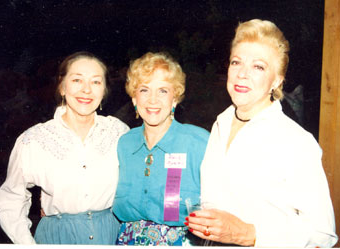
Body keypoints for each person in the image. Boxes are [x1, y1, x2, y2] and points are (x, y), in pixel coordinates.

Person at [185, 19, 338, 247]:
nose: (242, 74)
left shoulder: (296, 141)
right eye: (236, 62)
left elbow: (323, 235)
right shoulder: (221, 124)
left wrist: (249, 234)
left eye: (258, 66)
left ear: (276, 80)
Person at [0, 51, 129, 244]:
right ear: (62, 86)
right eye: (77, 80)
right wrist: (26, 244)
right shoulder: (33, 140)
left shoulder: (119, 132)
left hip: (112, 236)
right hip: (57, 238)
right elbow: (11, 200)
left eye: (96, 82)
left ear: (104, 90)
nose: (86, 90)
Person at [112, 52, 209, 246]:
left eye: (163, 91)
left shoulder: (198, 142)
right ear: (133, 98)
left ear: (175, 98)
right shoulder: (124, 144)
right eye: (144, 90)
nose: (153, 100)